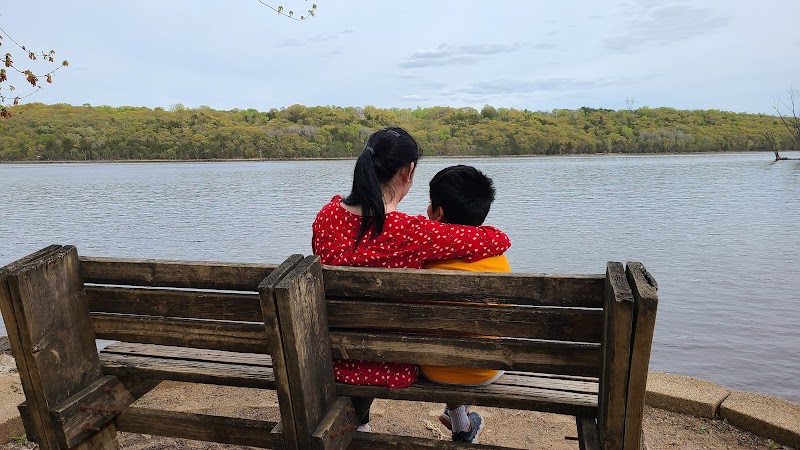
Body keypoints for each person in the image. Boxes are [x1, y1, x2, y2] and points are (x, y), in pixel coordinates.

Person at [311, 127, 511, 436]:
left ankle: (360, 423)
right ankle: (460, 422)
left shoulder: (326, 217)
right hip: (391, 364)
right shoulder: (412, 233)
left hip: (331, 357)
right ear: (408, 171)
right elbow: (495, 239)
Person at [421, 165, 510, 443]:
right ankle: (462, 425)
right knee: (464, 341)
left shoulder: (424, 259)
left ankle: (461, 424)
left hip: (432, 369)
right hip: (485, 370)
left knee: (446, 343)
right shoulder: (500, 262)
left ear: (439, 214)